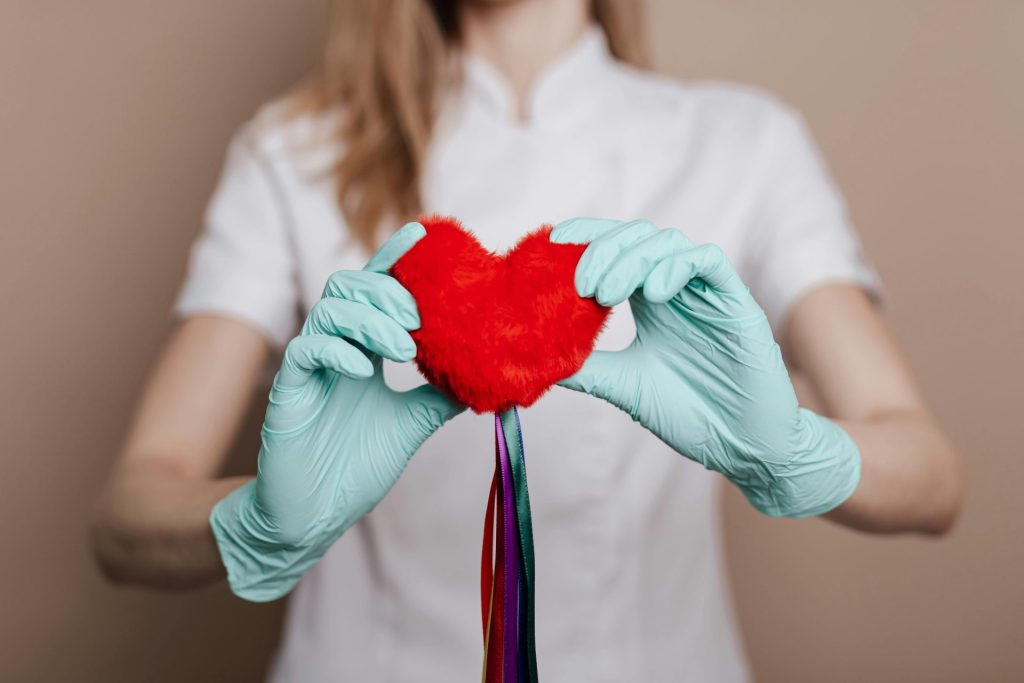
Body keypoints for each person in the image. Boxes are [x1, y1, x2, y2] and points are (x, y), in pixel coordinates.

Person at [90, 0, 964, 680]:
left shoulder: (747, 143)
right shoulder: (292, 153)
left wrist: (797, 455)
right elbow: (127, 515)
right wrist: (262, 522)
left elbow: (931, 476)